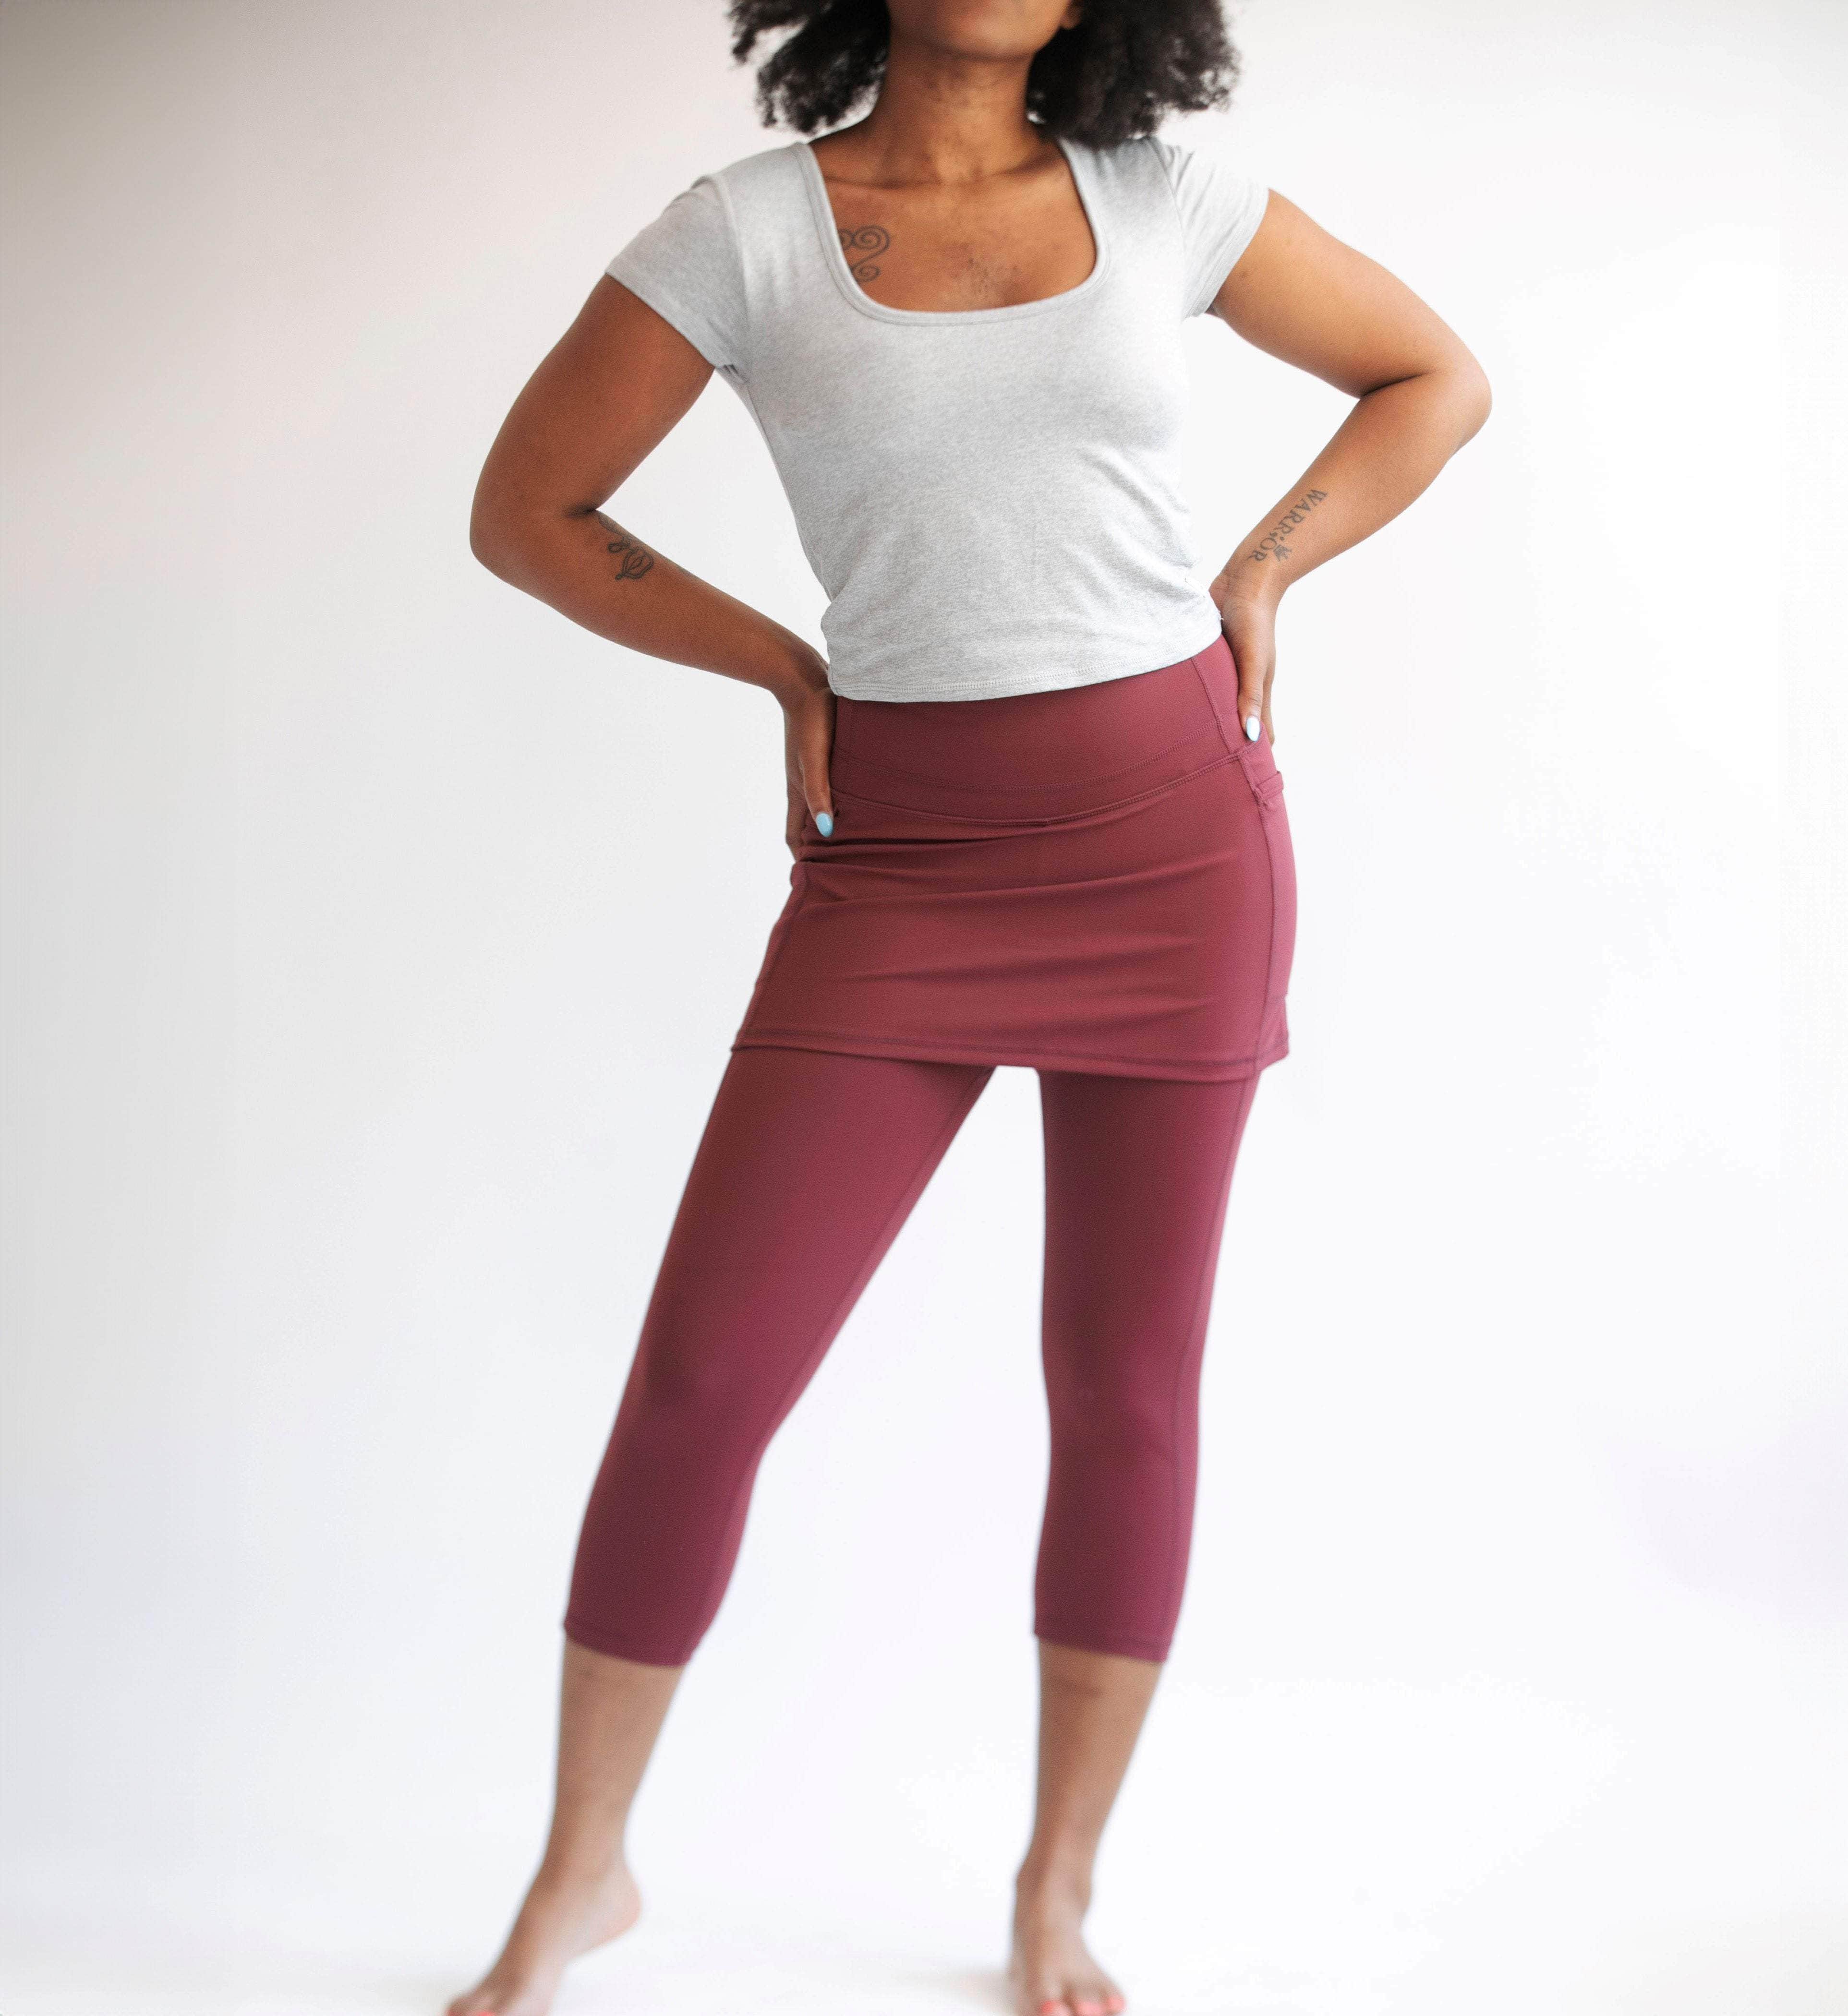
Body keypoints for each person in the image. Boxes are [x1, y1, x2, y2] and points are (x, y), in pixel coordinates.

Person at [454, 3, 1488, 2012]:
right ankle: (580, 1880)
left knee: (1123, 1391)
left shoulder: (1164, 196)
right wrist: (782, 668)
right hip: (901, 866)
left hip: (1182, 848)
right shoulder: (747, 233)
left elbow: (1430, 376)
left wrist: (1262, 573)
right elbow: (529, 512)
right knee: (705, 1387)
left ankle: (1054, 1898)